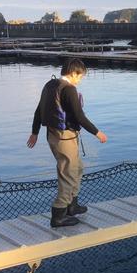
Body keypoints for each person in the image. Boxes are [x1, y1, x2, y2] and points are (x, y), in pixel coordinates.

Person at [27, 59, 108, 227]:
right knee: (68, 173)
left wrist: (35, 132)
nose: (80, 80)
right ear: (73, 73)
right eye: (81, 76)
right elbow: (79, 117)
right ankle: (58, 214)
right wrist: (97, 132)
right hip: (64, 138)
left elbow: (38, 111)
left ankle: (72, 205)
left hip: (55, 136)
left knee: (77, 168)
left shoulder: (50, 85)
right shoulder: (69, 89)